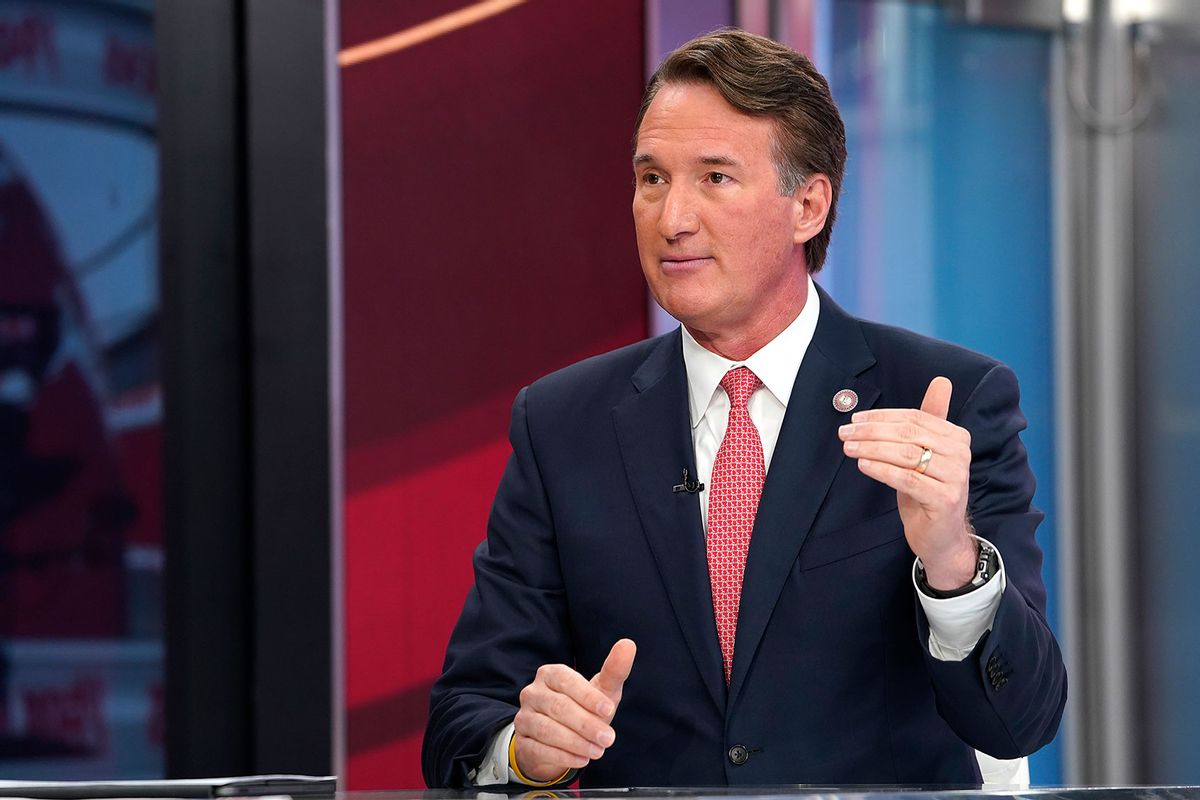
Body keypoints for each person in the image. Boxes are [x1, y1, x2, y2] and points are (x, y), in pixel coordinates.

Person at [422, 28, 1066, 789]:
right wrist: (527, 750)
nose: (672, 219)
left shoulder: (947, 401)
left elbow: (1019, 719)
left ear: (809, 205)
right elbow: (462, 723)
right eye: (652, 178)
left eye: (715, 178)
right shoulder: (563, 422)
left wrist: (952, 560)